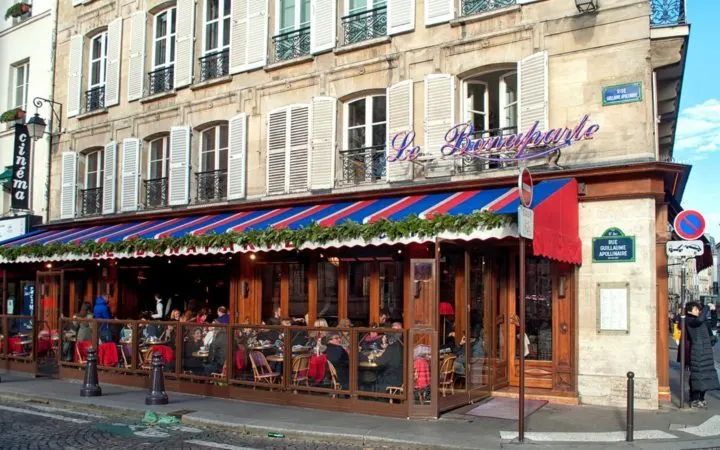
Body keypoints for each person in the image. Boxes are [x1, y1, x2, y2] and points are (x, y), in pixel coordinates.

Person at [679, 302, 720, 408]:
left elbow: (713, 324)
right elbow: (699, 320)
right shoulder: (688, 320)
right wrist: (706, 307)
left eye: (699, 309)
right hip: (696, 350)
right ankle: (694, 398)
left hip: (706, 350)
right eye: (696, 309)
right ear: (689, 311)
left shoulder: (700, 319)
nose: (698, 311)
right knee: (697, 375)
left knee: (706, 375)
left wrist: (714, 311)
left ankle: (702, 397)